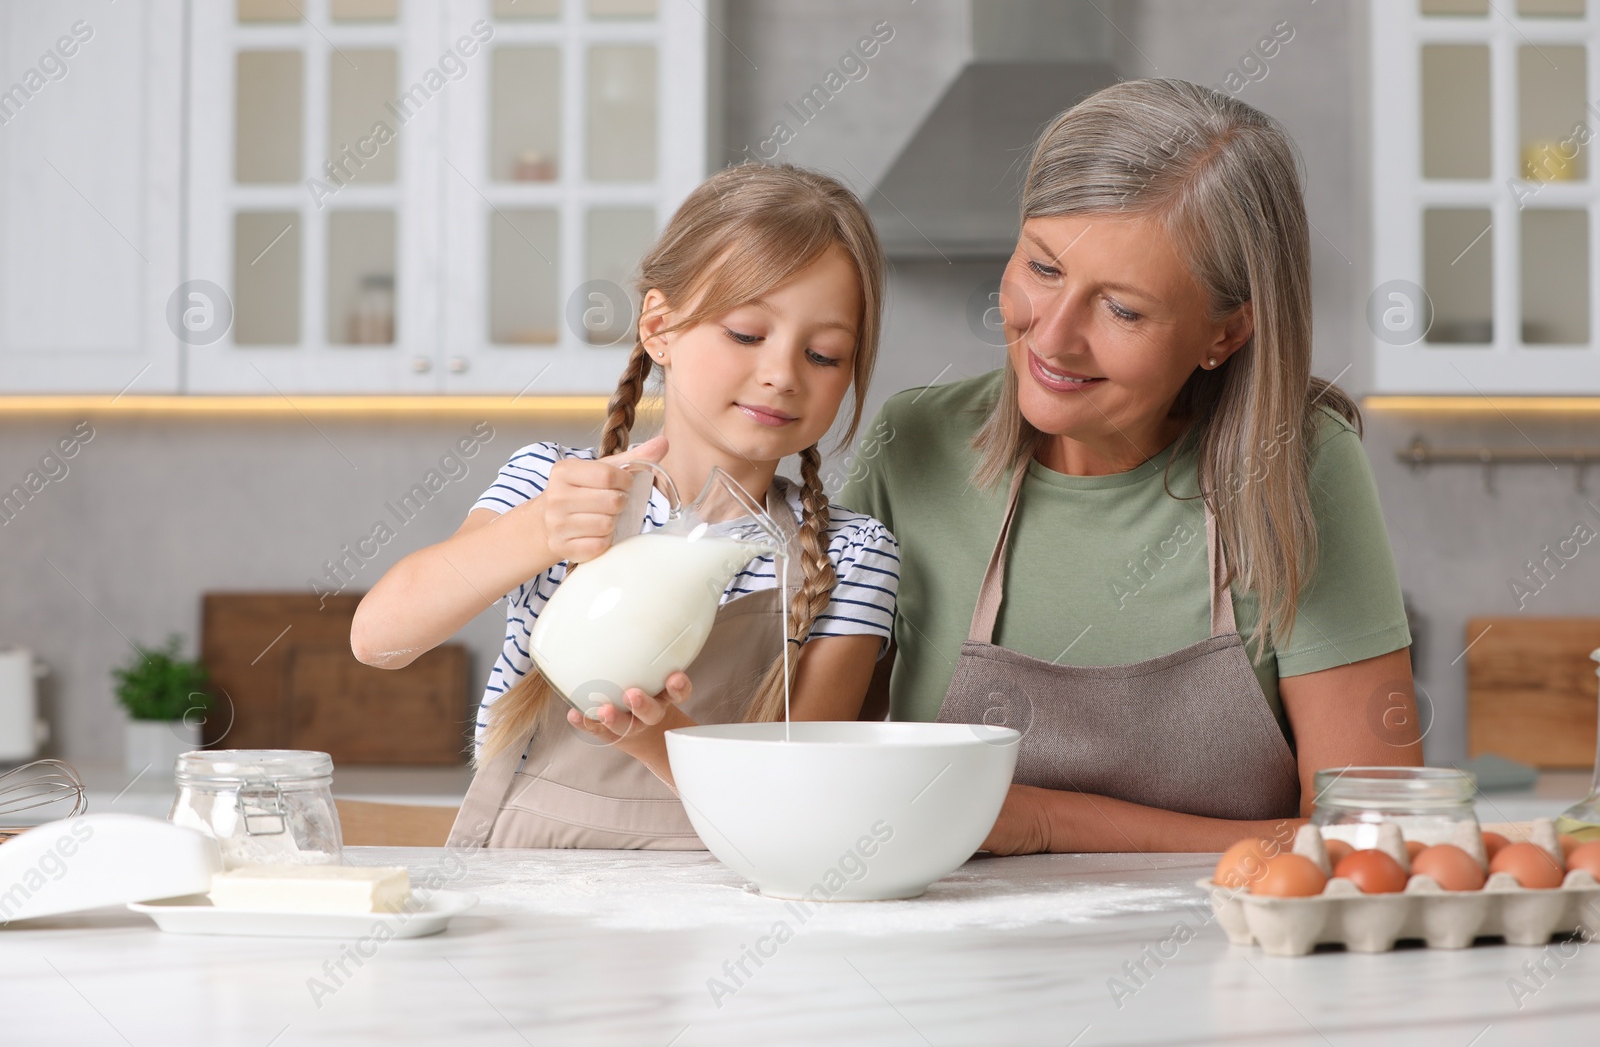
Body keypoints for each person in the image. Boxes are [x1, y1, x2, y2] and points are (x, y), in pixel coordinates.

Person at [841, 79, 1422, 855]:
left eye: (1122, 309)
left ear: (1226, 331)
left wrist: (1048, 821)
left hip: (1233, 963)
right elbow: (815, 767)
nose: (1054, 337)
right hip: (951, 964)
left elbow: (1375, 838)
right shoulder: (914, 445)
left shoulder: (1301, 465)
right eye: (1043, 269)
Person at [351, 163, 899, 848]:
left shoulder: (852, 558)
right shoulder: (552, 486)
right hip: (522, 891)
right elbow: (379, 640)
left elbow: (801, 808)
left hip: (720, 904)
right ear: (659, 326)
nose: (782, 374)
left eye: (823, 354)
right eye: (747, 334)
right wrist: (540, 529)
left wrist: (657, 737)